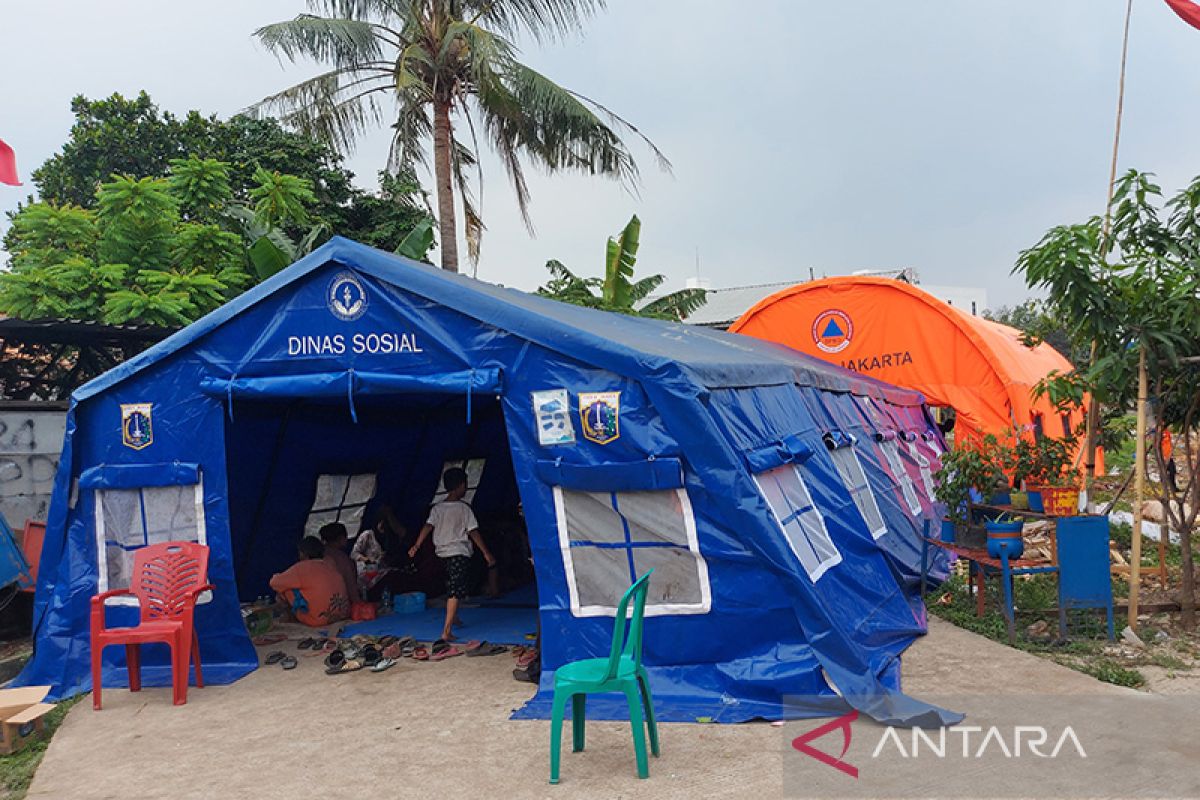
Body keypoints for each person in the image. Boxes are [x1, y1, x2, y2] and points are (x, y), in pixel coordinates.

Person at [408, 467, 496, 641]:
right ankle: (446, 631)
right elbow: (473, 532)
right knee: (455, 590)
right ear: (461, 486)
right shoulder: (464, 509)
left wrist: (416, 545)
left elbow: (427, 527)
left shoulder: (437, 509)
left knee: (452, 585)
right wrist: (486, 553)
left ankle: (453, 616)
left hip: (442, 554)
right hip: (458, 553)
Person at [269, 537, 349, 627]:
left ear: (303, 553)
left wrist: (277, 575)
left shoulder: (302, 567)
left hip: (316, 620)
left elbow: (274, 583)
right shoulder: (330, 563)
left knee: (284, 589)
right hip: (341, 614)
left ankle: (289, 617)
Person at [319, 522, 361, 604]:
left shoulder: (318, 553)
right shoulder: (342, 559)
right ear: (341, 538)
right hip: (339, 602)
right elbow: (351, 587)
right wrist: (359, 604)